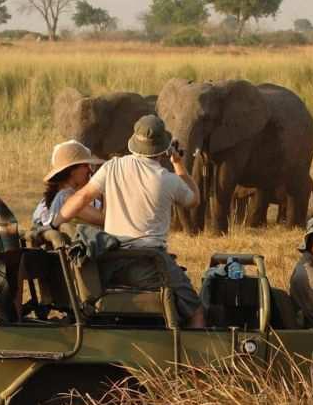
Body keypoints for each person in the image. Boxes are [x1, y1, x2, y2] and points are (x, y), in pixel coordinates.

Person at [51, 115, 206, 328]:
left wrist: (54, 224)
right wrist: (179, 165)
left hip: (110, 261)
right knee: (195, 309)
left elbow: (81, 198)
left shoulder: (111, 167)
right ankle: (191, 361)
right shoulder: (167, 180)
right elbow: (195, 200)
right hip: (149, 264)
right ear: (162, 147)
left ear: (134, 142)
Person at [31, 140, 104, 228]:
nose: (90, 171)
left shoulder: (56, 197)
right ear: (71, 171)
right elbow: (104, 220)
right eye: (85, 166)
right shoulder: (66, 198)